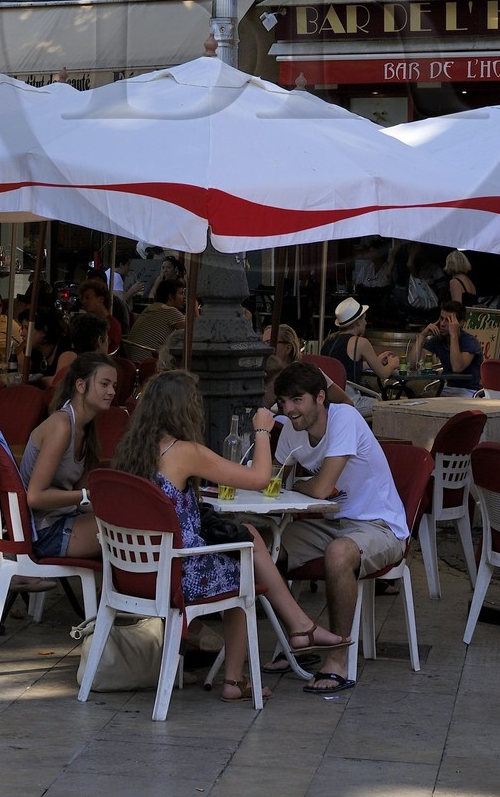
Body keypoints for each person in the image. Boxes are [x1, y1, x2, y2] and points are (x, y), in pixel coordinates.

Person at [112, 370, 351, 703]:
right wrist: (263, 431)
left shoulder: (131, 451)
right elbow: (258, 478)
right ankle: (239, 677)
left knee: (247, 539)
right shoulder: (184, 451)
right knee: (243, 570)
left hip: (134, 573)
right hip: (178, 574)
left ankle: (298, 628)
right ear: (185, 409)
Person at [272, 360, 409, 694]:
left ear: (320, 397)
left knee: (338, 554)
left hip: (381, 527)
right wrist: (263, 433)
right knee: (263, 548)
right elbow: (270, 482)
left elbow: (319, 490)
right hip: (333, 523)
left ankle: (338, 659)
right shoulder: (291, 429)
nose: (289, 409)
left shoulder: (344, 417)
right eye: (283, 401)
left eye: (297, 399)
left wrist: (301, 483)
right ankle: (295, 641)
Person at [21, 351, 116, 559]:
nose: (111, 392)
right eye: (104, 384)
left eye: (113, 386)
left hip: (62, 522)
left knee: (130, 519)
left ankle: (111, 591)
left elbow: (79, 491)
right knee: (127, 530)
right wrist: (87, 496)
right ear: (81, 385)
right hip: (42, 533)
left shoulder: (86, 429)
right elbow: (35, 497)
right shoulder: (62, 426)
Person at [321, 298, 396, 386]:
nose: (365, 323)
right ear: (358, 322)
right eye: (364, 319)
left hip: (329, 394)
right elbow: (384, 374)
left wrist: (376, 361)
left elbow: (347, 366)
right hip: (349, 395)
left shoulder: (329, 339)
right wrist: (392, 364)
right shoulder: (360, 343)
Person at [407, 301, 481, 389]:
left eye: (448, 320)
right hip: (448, 390)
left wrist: (453, 335)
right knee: (419, 398)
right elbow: (412, 364)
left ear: (460, 323)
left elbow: (457, 368)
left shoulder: (470, 341)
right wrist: (422, 335)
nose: (442, 324)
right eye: (441, 319)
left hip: (469, 391)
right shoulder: (439, 339)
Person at [119, 276, 187, 363]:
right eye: (181, 293)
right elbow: (193, 334)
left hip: (131, 359)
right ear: (170, 296)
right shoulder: (170, 311)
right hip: (147, 361)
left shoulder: (152, 307)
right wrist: (195, 307)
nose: (184, 297)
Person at [78, 277, 123, 352]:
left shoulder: (112, 324)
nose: (83, 302)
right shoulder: (88, 324)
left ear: (101, 299)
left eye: (87, 297)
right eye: (82, 299)